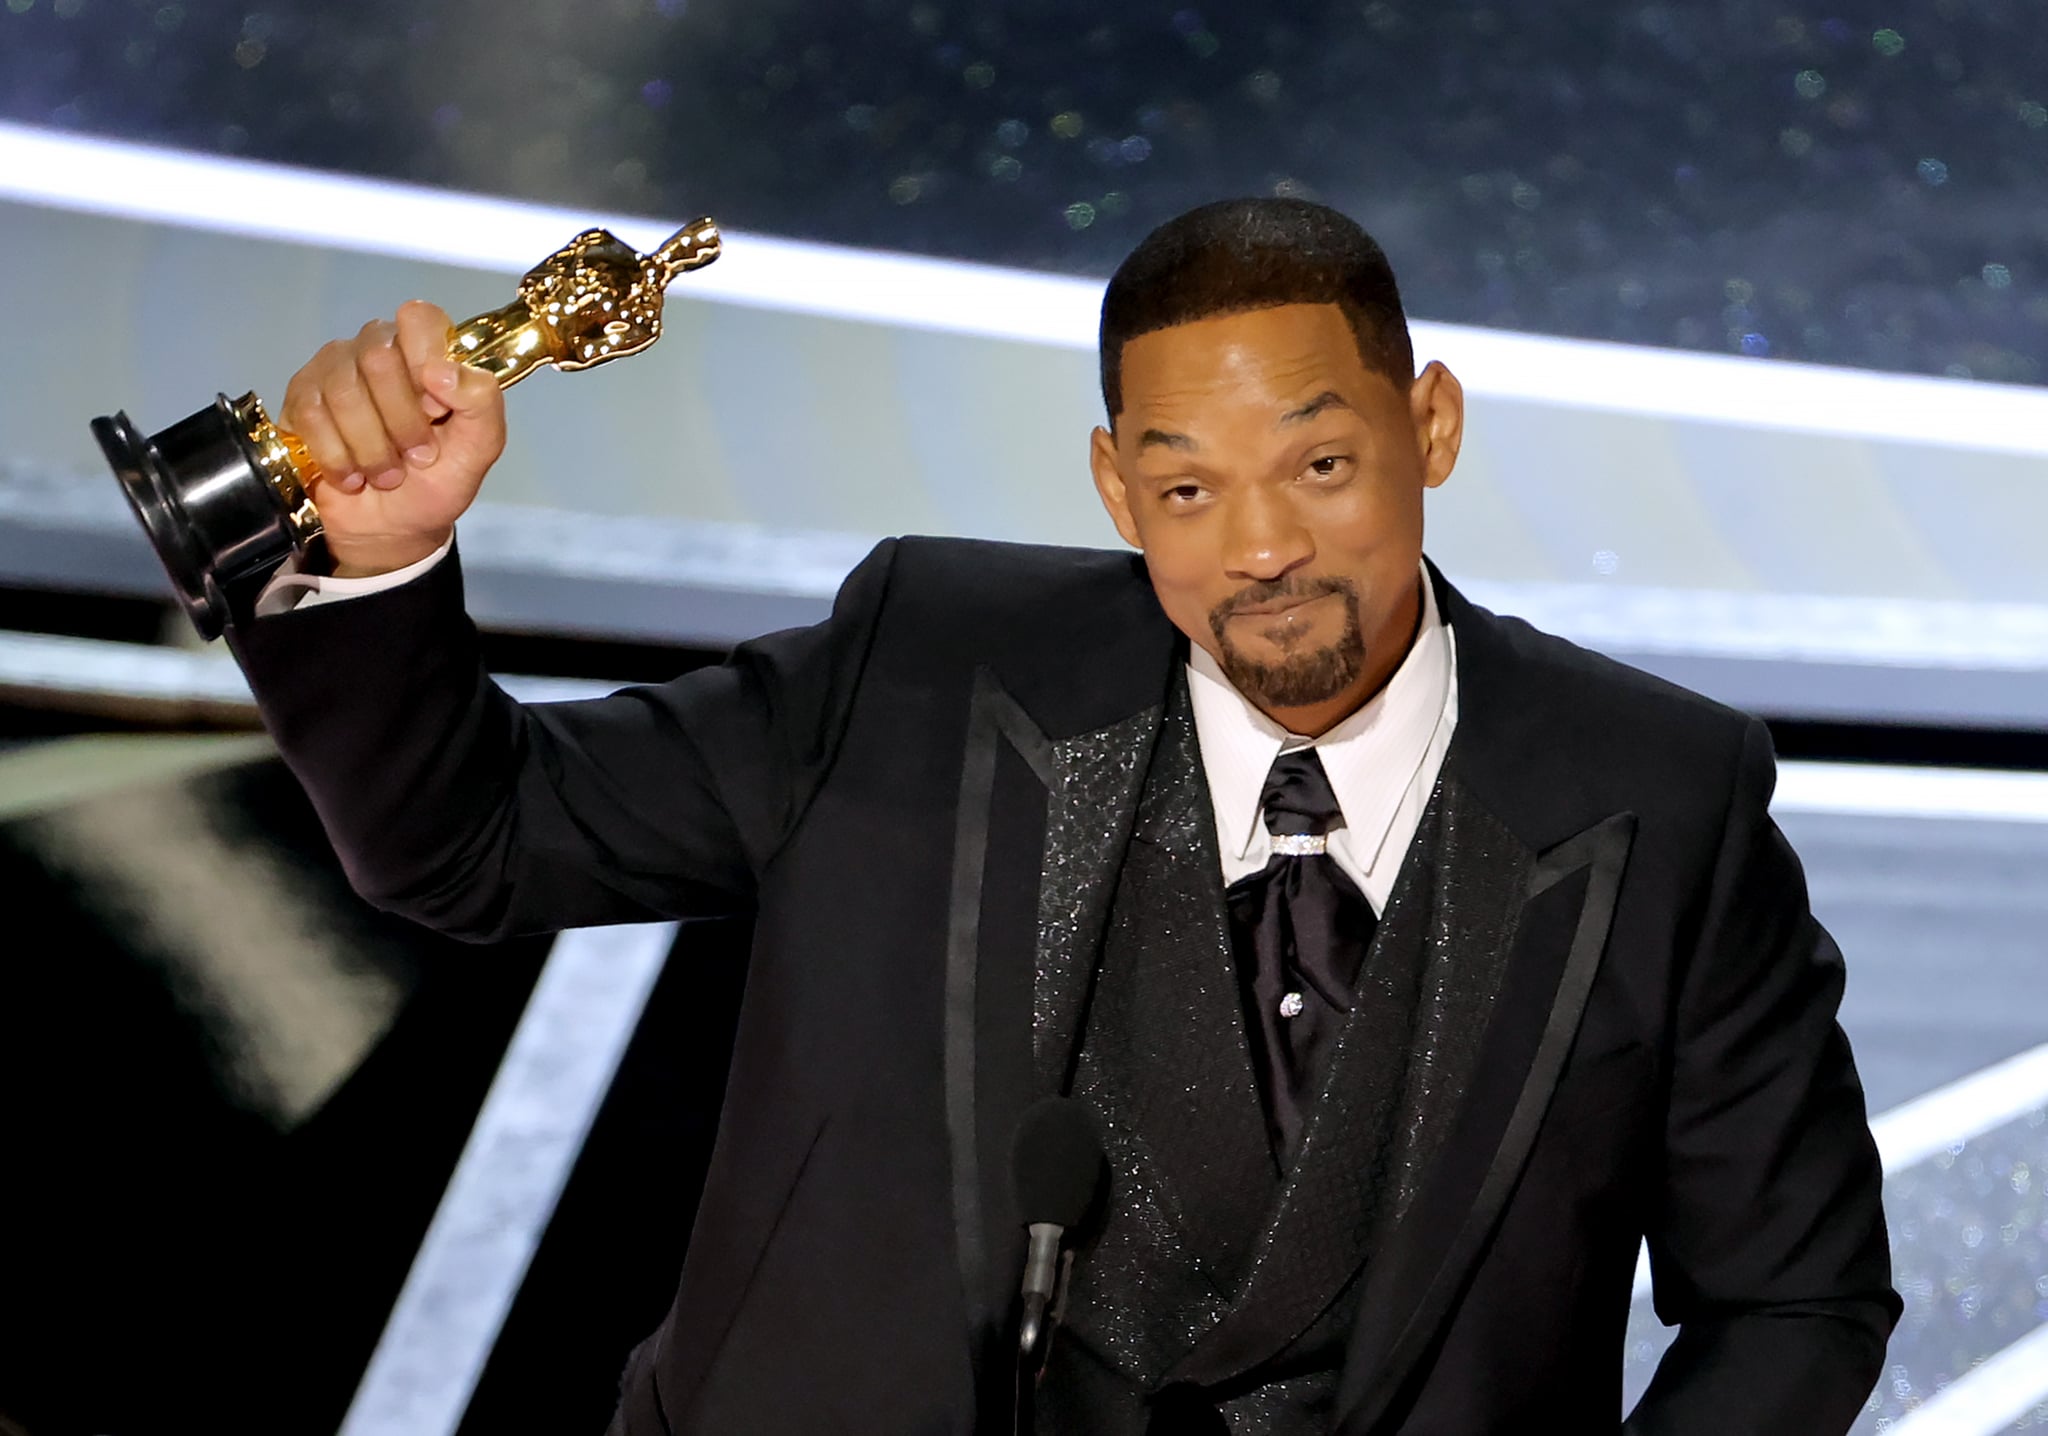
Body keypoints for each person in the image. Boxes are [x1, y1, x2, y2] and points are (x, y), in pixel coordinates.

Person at [227, 198, 1899, 1434]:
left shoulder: (1660, 792)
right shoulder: (920, 668)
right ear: (1114, 489)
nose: (1260, 548)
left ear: (1430, 427)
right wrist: (379, 563)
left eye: (1318, 466)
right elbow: (471, 841)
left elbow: (1795, 1299)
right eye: (1187, 487)